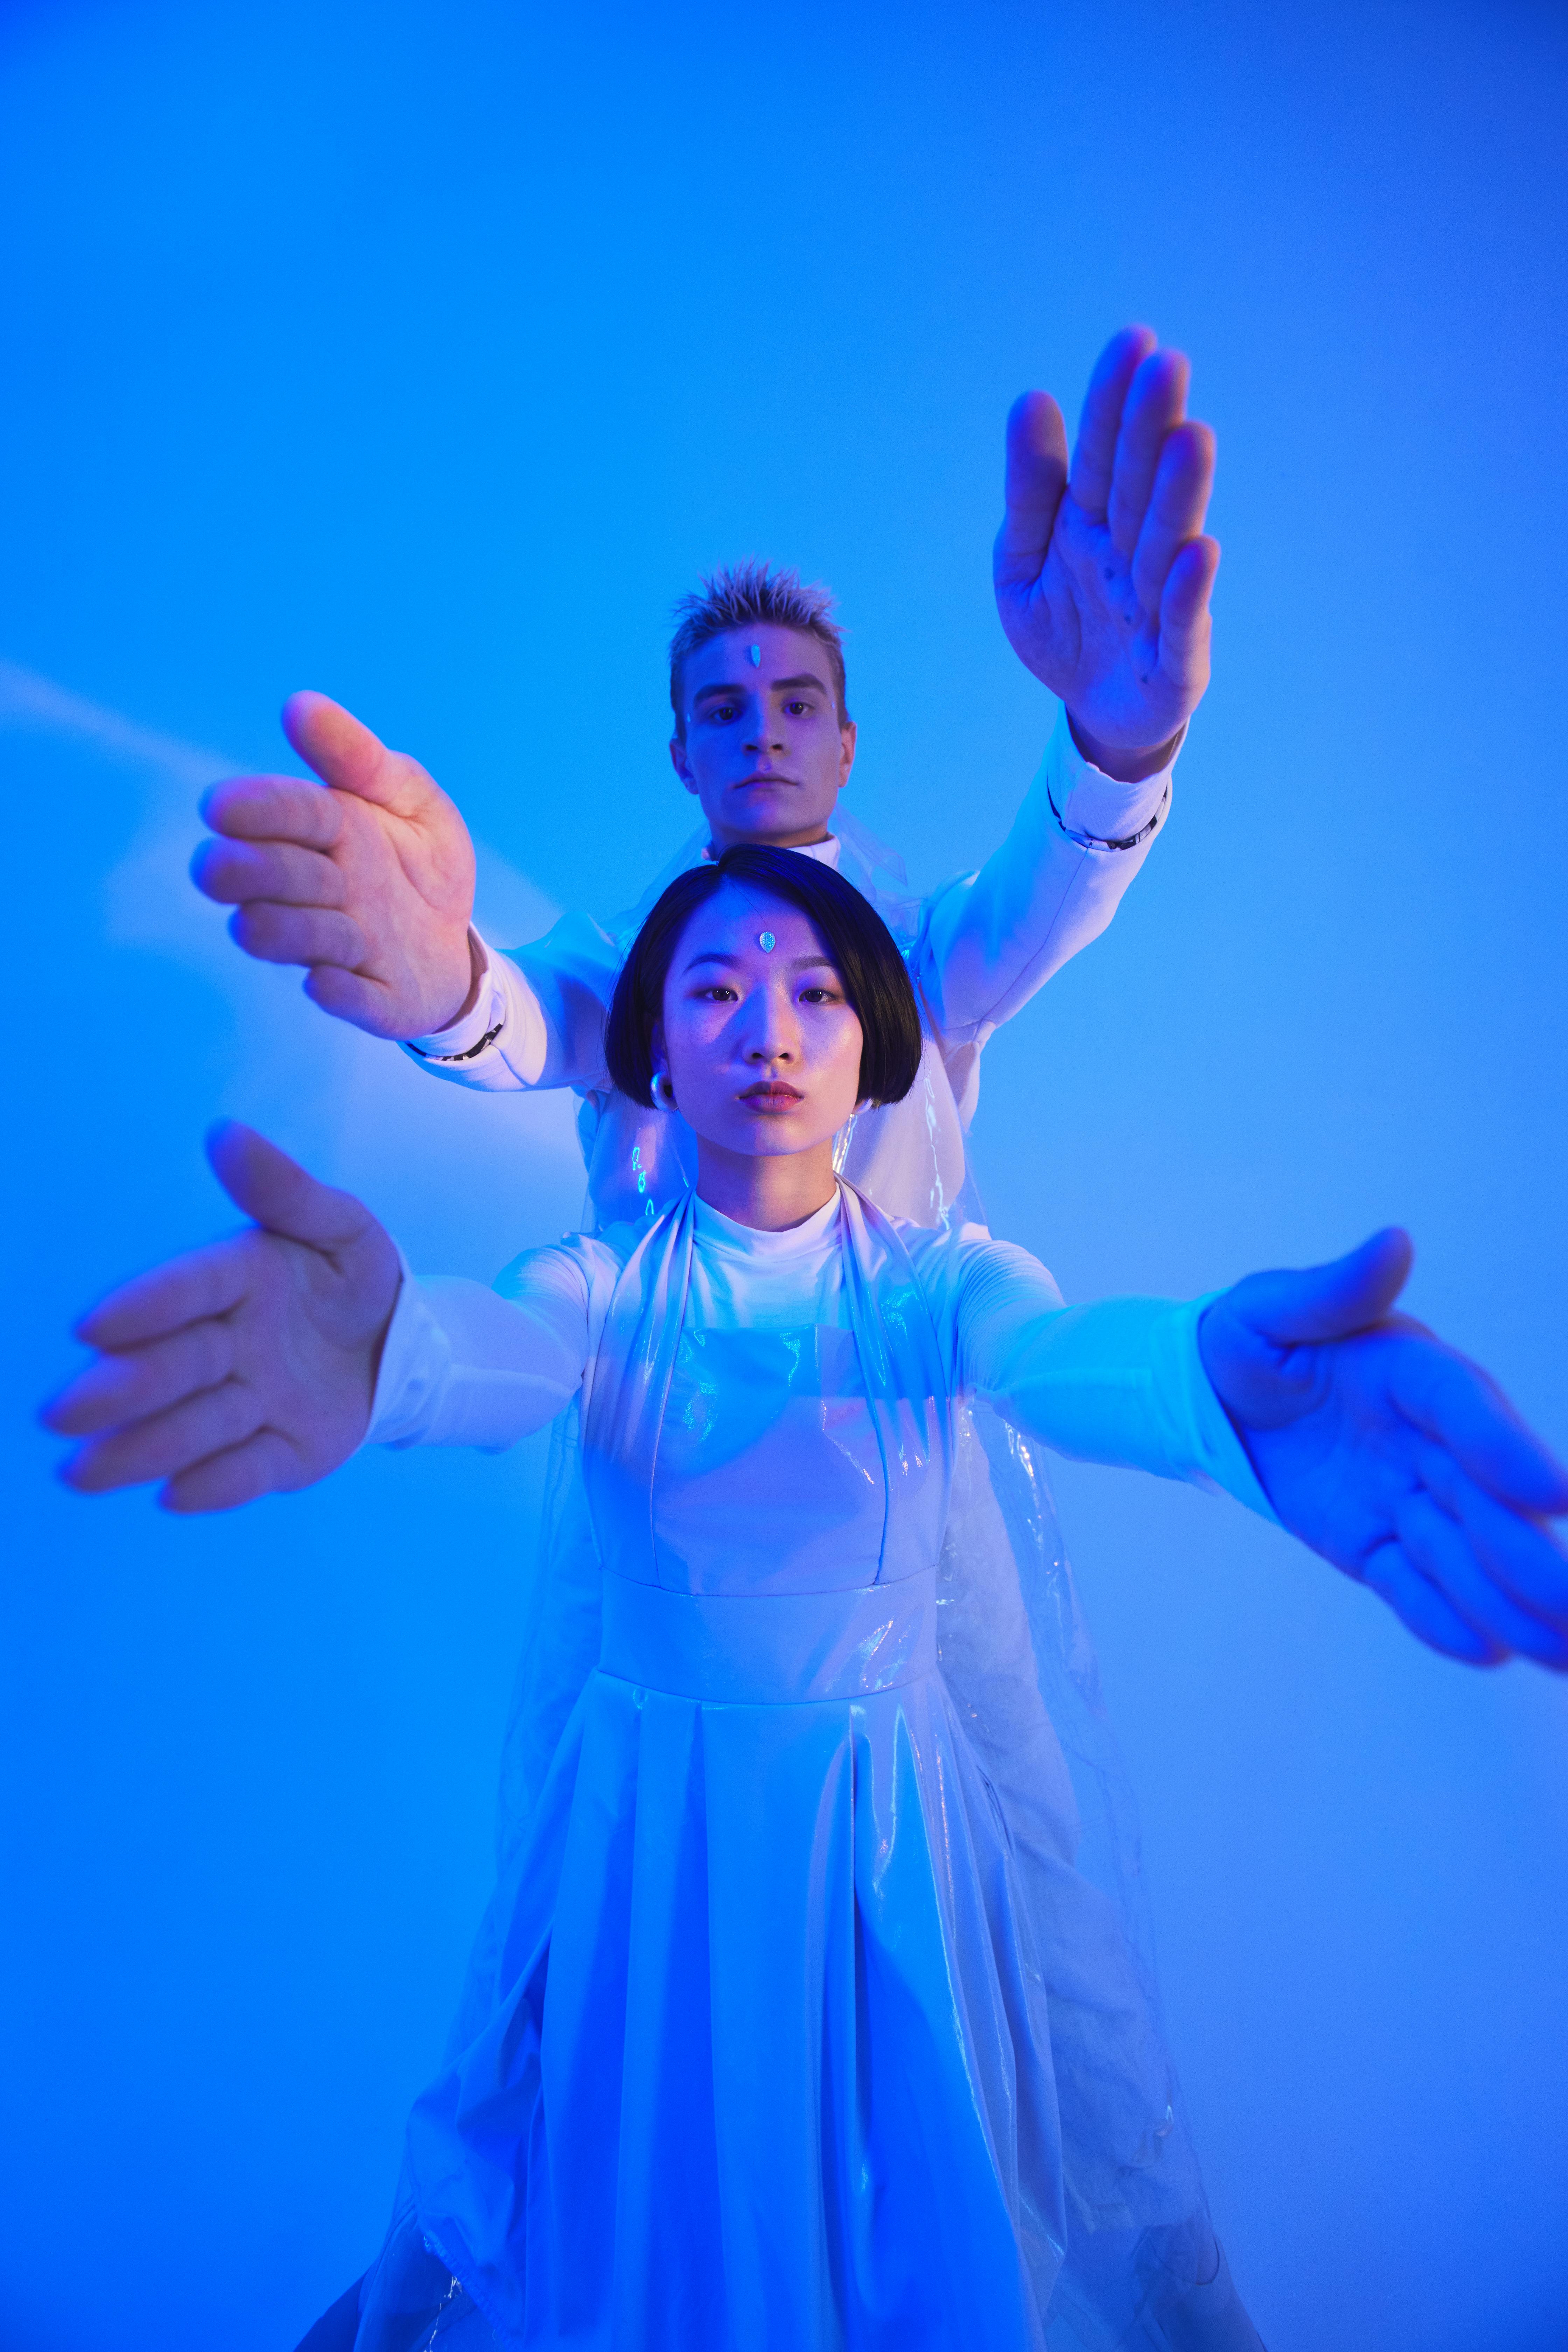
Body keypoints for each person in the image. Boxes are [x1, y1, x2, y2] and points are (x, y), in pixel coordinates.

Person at [46, 852, 1568, 2352]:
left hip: (889, 1833)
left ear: (874, 1046)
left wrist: (1202, 1393)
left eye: (815, 992)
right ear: (651, 1044)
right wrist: (392, 1367)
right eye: (713, 989)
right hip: (656, 1833)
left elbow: (1052, 1361)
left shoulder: (940, 1283)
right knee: (639, 2221)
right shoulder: (602, 1286)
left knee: (912, 2214)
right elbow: (499, 1352)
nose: (766, 1029)